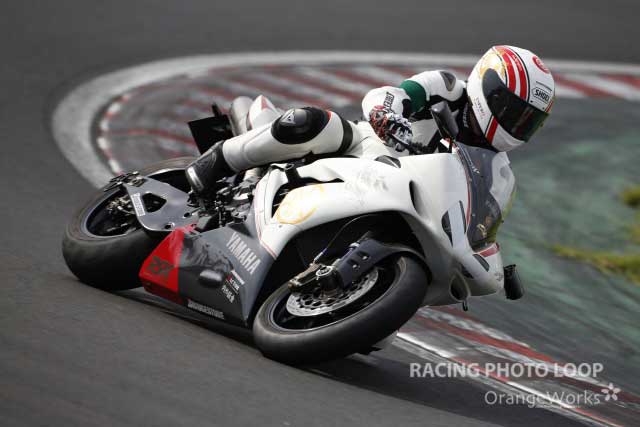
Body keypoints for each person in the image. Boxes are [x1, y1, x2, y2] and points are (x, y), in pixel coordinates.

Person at [185, 45, 555, 203]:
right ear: (490, 91)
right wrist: (385, 114)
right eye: (515, 112)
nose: (518, 125)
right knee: (312, 122)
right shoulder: (446, 88)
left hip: (404, 197)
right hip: (363, 150)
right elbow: (392, 94)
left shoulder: (499, 174)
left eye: (529, 121)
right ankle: (219, 160)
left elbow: (482, 225)